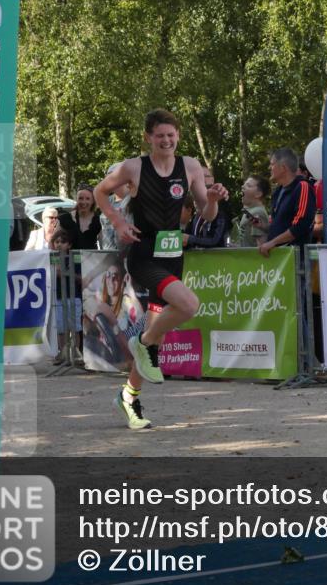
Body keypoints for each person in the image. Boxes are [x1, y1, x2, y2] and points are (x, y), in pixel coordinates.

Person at [94, 109, 229, 430]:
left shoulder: (191, 166)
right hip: (143, 253)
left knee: (157, 337)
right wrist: (118, 222)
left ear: (178, 136)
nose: (166, 140)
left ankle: (129, 397)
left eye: (171, 135)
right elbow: (100, 192)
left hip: (172, 255)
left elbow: (207, 216)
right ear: (148, 138)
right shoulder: (134, 167)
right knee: (189, 304)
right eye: (159, 136)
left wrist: (211, 199)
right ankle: (143, 341)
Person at [259, 148, 316, 258]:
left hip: (295, 260)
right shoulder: (277, 191)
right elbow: (281, 225)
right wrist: (264, 226)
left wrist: (273, 242)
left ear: (283, 167)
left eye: (272, 164)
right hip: (278, 259)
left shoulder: (303, 187)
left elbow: (300, 225)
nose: (269, 168)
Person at [49, 227, 82, 364]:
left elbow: (80, 276)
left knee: (75, 327)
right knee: (61, 328)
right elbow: (54, 274)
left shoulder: (75, 257)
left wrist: (66, 273)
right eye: (56, 242)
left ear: (69, 245)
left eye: (63, 242)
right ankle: (62, 353)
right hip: (58, 297)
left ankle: (75, 353)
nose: (59, 244)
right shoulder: (52, 258)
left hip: (74, 297)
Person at [184, 167, 232, 249]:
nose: (202, 180)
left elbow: (215, 241)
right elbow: (188, 237)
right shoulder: (196, 214)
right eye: (198, 177)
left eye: (205, 176)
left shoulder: (221, 205)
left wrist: (189, 239)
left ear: (212, 180)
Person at [60, 184, 102, 250]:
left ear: (93, 201)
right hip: (69, 258)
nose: (83, 202)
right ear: (76, 199)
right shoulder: (65, 219)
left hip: (91, 259)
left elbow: (103, 245)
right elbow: (53, 241)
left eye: (87, 199)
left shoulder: (98, 220)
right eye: (80, 198)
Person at [237, 175, 270, 247]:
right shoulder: (250, 211)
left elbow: (261, 245)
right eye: (244, 184)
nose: (243, 186)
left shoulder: (257, 213)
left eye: (248, 186)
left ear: (258, 194)